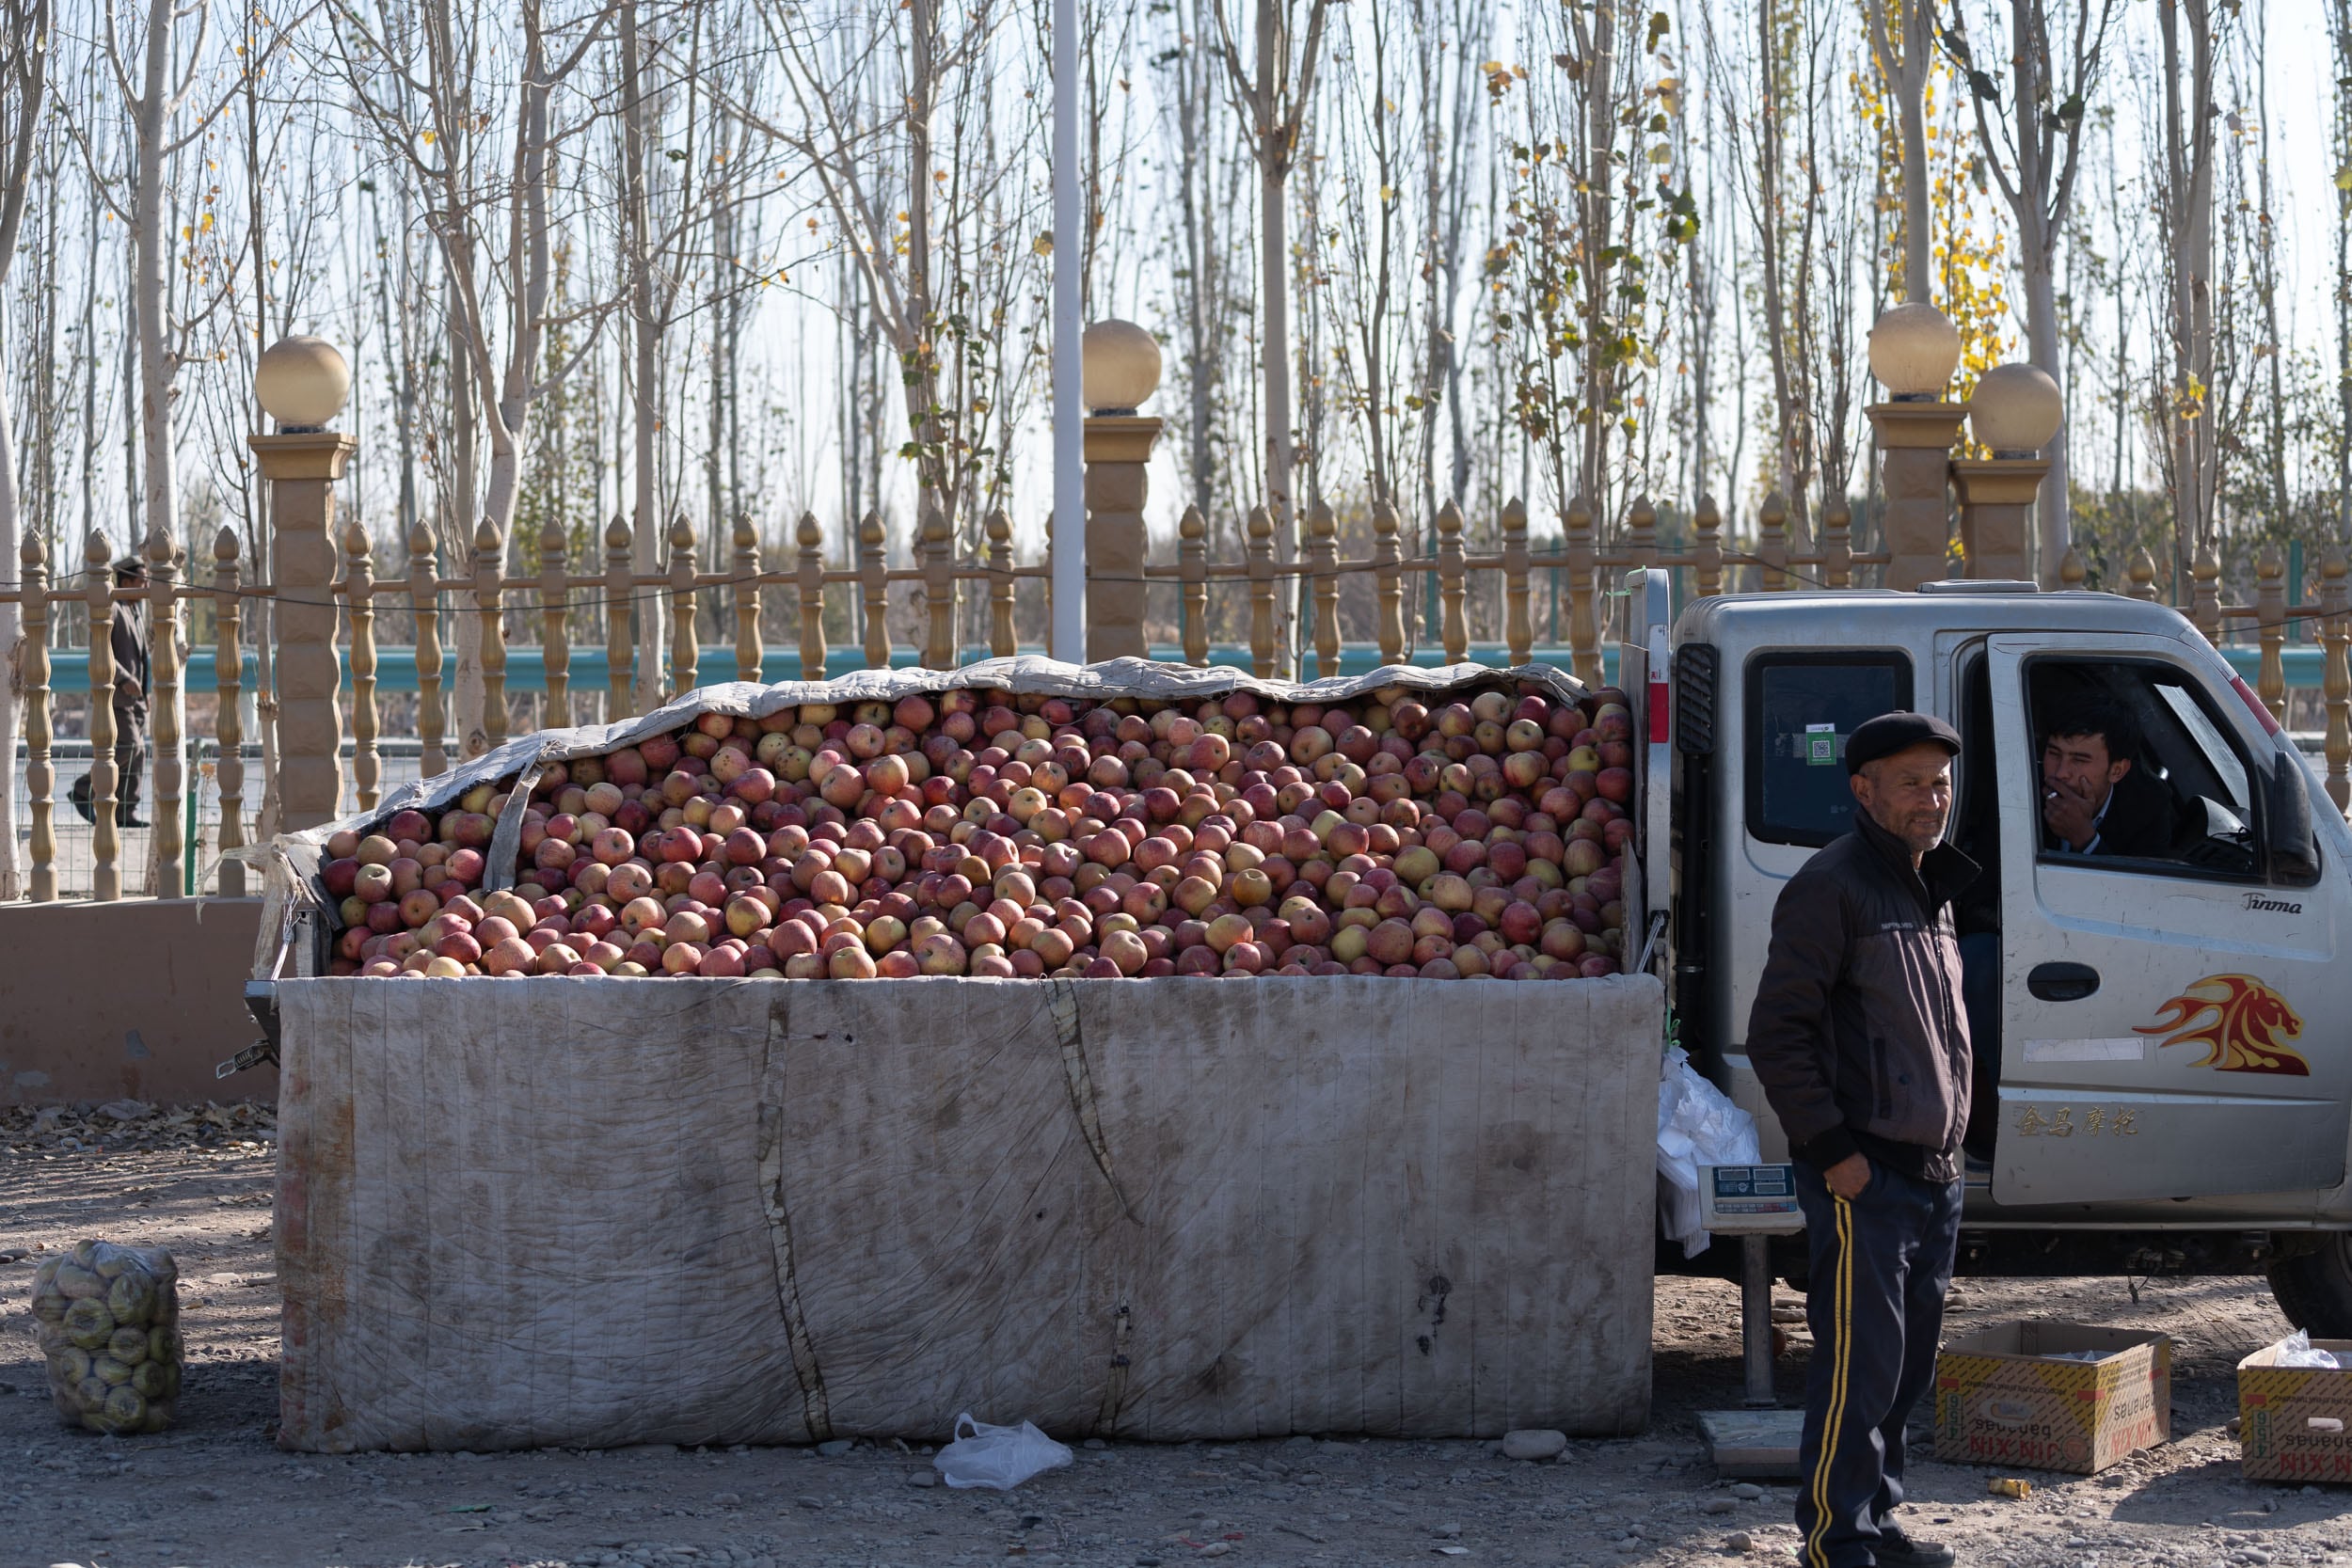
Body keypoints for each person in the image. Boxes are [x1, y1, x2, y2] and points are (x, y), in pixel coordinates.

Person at [1746, 711, 1975, 1568]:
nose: (1932, 797)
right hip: (1865, 1175)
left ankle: (1877, 1519)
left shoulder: (1928, 883)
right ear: (1863, 790)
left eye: (1941, 782)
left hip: (1932, 1175)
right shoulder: (1832, 885)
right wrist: (1835, 1152)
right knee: (1860, 1368)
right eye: (1912, 781)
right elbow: (1778, 1033)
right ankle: (1834, 1540)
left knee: (1908, 1369)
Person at [2040, 702, 2174, 859]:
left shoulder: (2147, 806)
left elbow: (2145, 882)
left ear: (2117, 771)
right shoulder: (2021, 784)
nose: (2061, 772)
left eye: (2079, 760)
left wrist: (2085, 839)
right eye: (2054, 754)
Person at [109, 556, 151, 829]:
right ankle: (85, 786)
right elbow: (102, 653)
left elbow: (143, 657)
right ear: (127, 582)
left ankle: (126, 812)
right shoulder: (113, 609)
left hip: (137, 700)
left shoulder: (135, 611)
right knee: (130, 747)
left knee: (139, 753)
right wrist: (124, 678)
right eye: (142, 580)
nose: (146, 585)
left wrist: (145, 693)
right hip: (118, 695)